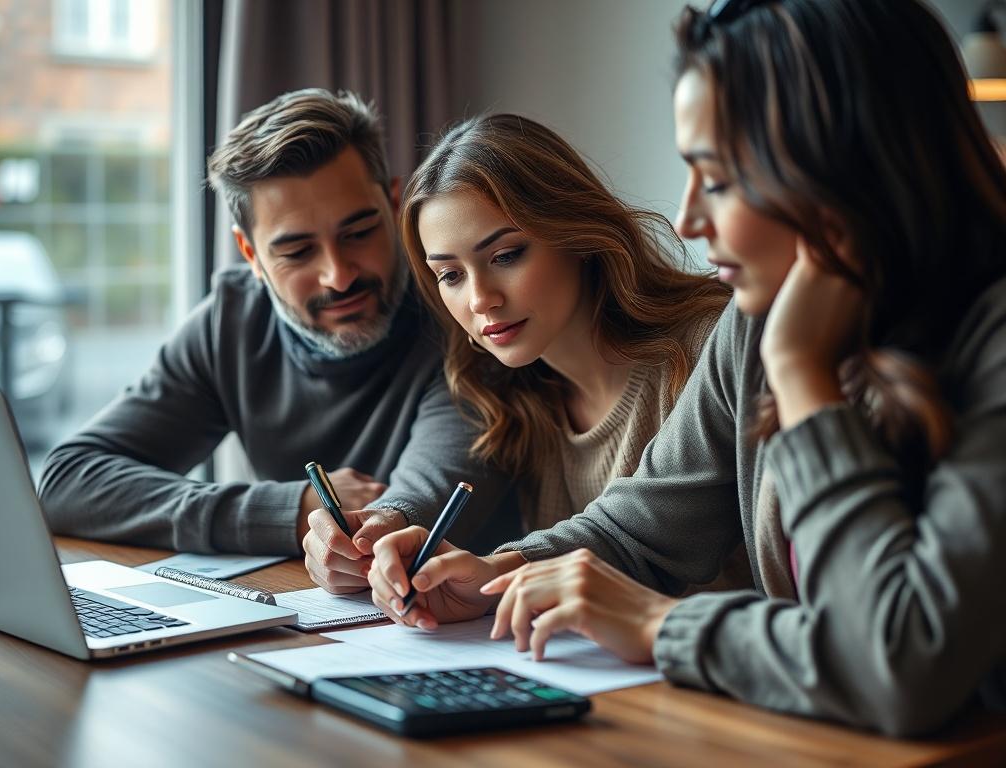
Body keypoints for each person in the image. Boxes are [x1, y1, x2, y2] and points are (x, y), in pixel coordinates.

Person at [368, 0, 1006, 736]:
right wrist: (497, 572)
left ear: (840, 168)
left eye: (721, 179)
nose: (689, 217)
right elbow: (641, 529)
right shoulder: (755, 325)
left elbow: (904, 666)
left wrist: (664, 624)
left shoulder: (958, 341)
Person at [38, 88, 516, 592]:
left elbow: (426, 498)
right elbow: (68, 482)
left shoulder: (466, 312)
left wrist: (380, 526)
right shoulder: (233, 323)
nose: (338, 275)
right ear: (251, 255)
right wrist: (290, 510)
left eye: (358, 233)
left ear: (396, 205)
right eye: (297, 251)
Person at [400, 113, 734, 537]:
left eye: (505, 256)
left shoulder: (709, 347)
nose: (480, 300)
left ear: (574, 233)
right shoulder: (513, 407)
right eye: (451, 275)